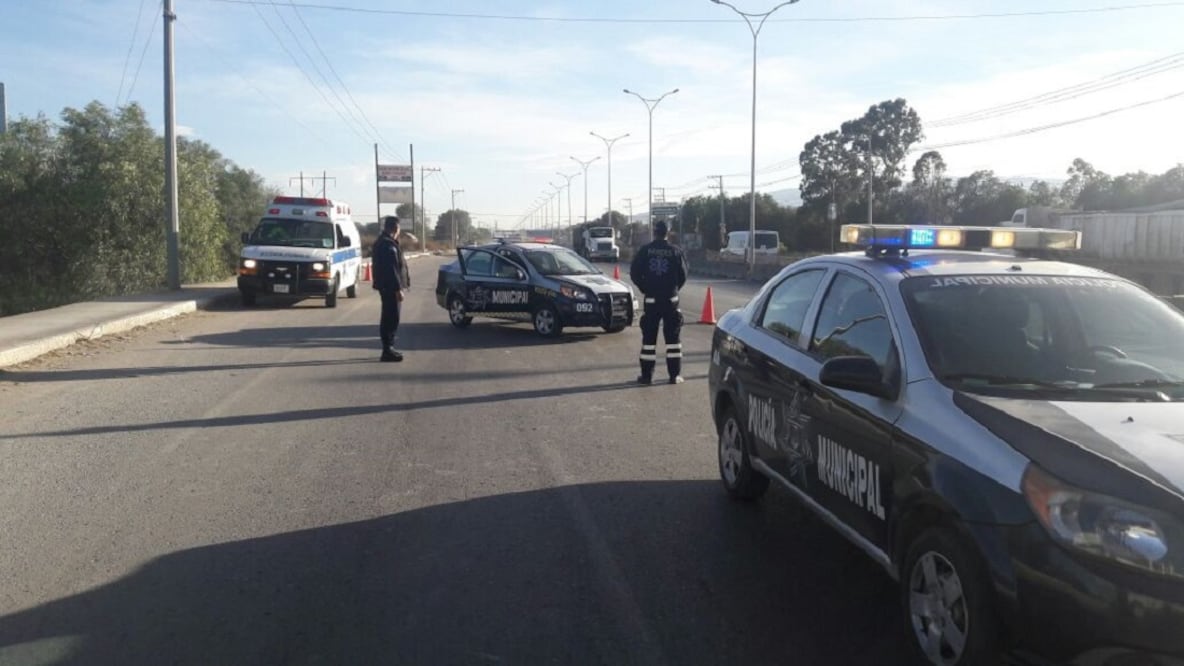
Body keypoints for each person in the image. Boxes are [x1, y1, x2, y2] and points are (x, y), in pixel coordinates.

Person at [629, 219, 689, 385]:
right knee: (673, 341)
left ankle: (647, 376)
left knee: (649, 340)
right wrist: (673, 288)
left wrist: (645, 288)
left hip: (652, 300)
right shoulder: (675, 251)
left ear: (654, 232)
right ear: (667, 233)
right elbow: (683, 274)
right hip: (671, 301)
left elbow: (634, 273)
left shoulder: (645, 251)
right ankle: (674, 375)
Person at [372, 215, 411, 362]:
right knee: (391, 318)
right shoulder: (388, 245)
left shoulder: (384, 242)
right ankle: (388, 350)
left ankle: (388, 348)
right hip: (390, 288)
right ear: (396, 228)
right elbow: (392, 269)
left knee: (388, 317)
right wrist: (397, 289)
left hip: (385, 287)